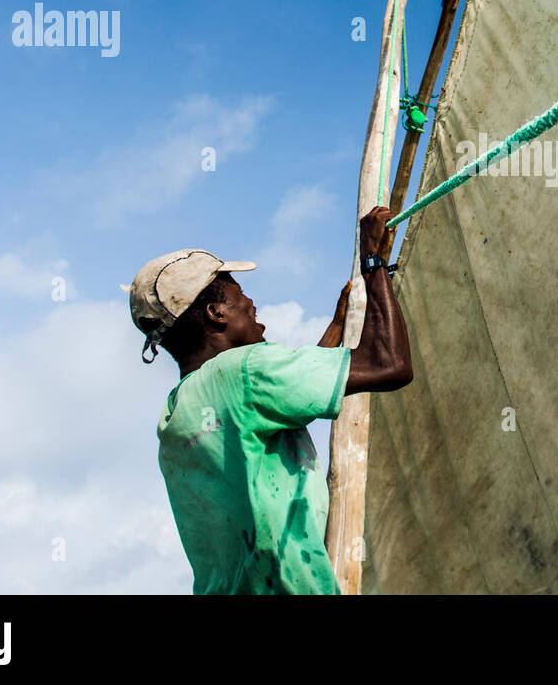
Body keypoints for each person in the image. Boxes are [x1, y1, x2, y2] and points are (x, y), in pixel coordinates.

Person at [126, 205, 411, 594]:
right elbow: (389, 364)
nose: (251, 304)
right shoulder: (245, 371)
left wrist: (337, 325)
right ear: (216, 313)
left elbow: (282, 402)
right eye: (239, 295)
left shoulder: (178, 412)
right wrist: (373, 261)